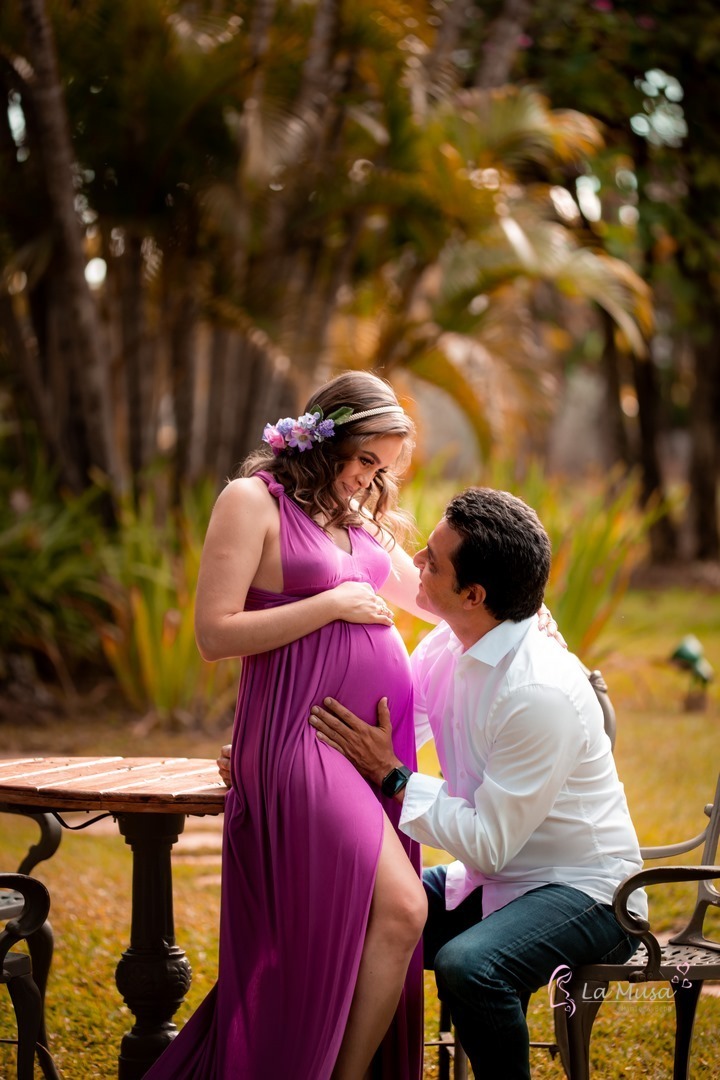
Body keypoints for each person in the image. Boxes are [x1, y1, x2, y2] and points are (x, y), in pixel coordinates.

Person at [145, 371, 431, 1080]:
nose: (370, 480)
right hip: (297, 740)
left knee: (350, 927)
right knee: (400, 908)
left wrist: (522, 611)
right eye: (364, 460)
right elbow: (215, 633)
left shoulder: (355, 517)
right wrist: (331, 606)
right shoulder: (252, 502)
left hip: (368, 750)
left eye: (383, 469)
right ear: (323, 436)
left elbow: (429, 597)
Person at [307, 486, 647, 1080]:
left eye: (432, 560)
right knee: (365, 908)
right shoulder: (445, 646)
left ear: (474, 594)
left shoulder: (538, 691)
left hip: (590, 892)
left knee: (471, 965)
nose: (413, 563)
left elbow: (489, 840)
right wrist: (272, 746)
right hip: (494, 878)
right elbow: (376, 723)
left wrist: (393, 777)